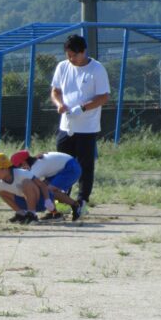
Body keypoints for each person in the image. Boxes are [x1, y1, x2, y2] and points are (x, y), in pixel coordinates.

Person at [50, 34, 110, 216]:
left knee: (84, 166)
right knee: (61, 164)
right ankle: (59, 201)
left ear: (83, 51)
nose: (71, 59)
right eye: (68, 55)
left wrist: (82, 108)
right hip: (66, 126)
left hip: (87, 127)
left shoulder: (97, 69)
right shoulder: (62, 66)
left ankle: (82, 200)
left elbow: (103, 97)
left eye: (74, 55)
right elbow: (55, 91)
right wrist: (59, 104)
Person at [0, 153, 48, 224]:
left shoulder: (22, 173)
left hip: (42, 202)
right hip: (26, 203)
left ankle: (32, 215)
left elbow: (42, 185)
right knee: (2, 192)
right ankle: (21, 214)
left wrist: (48, 201)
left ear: (5, 167)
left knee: (27, 183)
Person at [10, 150, 83, 221]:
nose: (20, 169)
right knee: (45, 188)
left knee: (48, 190)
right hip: (62, 167)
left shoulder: (36, 168)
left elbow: (28, 187)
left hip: (70, 168)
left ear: (24, 162)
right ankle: (55, 213)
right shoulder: (35, 163)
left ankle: (76, 205)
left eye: (19, 166)